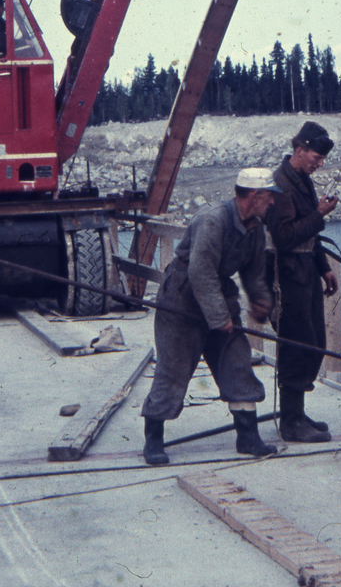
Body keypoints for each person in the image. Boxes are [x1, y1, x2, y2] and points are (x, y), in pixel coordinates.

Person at [141, 167, 281, 465]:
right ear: (254, 195)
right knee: (173, 370)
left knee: (237, 363)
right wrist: (219, 318)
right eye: (269, 196)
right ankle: (153, 440)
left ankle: (248, 437)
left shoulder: (256, 228)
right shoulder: (212, 219)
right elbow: (200, 272)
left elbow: (254, 272)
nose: (272, 202)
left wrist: (261, 300)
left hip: (218, 294)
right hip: (182, 298)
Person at [265, 121, 338, 443]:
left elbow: (309, 233)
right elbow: (283, 238)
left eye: (322, 159)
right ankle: (291, 421)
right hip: (286, 276)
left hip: (305, 271)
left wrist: (324, 268)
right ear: (299, 150)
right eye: (316, 157)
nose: (319, 164)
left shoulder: (301, 179)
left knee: (314, 341)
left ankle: (296, 412)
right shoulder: (280, 185)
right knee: (296, 343)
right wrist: (319, 214)